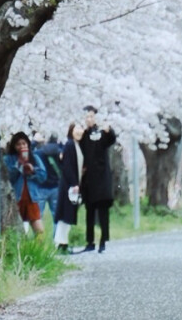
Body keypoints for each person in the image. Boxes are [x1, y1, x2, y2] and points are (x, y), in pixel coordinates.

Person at [81, 105, 117, 253]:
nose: (89, 119)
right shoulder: (82, 134)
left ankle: (103, 239)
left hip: (102, 178)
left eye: (91, 116)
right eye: (87, 117)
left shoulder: (102, 133)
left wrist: (110, 131)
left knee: (103, 211)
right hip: (88, 179)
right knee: (89, 211)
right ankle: (90, 241)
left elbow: (111, 139)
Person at [3, 131, 46, 237]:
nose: (21, 146)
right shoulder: (8, 159)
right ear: (14, 146)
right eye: (18, 144)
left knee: (39, 230)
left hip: (32, 197)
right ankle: (20, 250)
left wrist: (33, 171)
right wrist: (19, 164)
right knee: (15, 229)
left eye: (24, 143)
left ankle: (36, 251)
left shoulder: (34, 157)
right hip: (15, 197)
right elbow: (7, 177)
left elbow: (43, 176)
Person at [54, 121, 85, 252]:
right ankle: (60, 243)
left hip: (73, 185)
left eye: (81, 128)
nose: (79, 131)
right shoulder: (69, 145)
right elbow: (67, 166)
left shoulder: (77, 145)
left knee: (68, 215)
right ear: (71, 130)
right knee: (65, 215)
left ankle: (63, 242)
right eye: (76, 128)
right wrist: (74, 184)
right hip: (69, 185)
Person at [32, 130, 64, 232]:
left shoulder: (39, 152)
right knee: (57, 216)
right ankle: (57, 242)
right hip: (56, 187)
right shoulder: (60, 152)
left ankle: (38, 243)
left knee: (37, 216)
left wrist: (35, 142)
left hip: (41, 187)